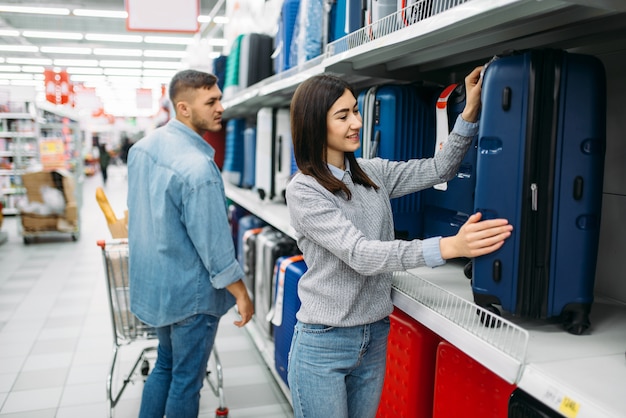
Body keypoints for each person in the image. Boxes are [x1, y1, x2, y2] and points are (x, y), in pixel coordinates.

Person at [285, 69, 513, 418]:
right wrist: (449, 247)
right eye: (342, 116)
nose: (356, 122)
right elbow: (361, 254)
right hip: (324, 343)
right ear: (315, 124)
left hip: (374, 336)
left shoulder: (372, 173)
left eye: (356, 111)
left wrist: (469, 110)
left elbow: (441, 169)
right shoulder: (304, 190)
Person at [127, 69, 254, 418]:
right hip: (191, 296)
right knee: (186, 381)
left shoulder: (143, 148)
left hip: (158, 287)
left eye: (219, 98)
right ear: (183, 108)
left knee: (165, 365)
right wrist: (241, 293)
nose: (220, 108)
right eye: (211, 101)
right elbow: (215, 248)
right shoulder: (198, 168)